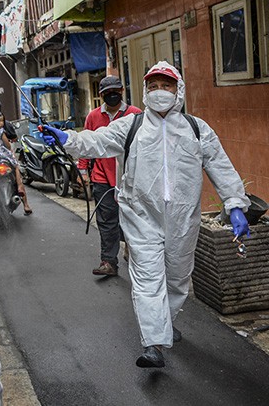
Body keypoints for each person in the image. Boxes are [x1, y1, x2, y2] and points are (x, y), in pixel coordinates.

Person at [42, 61, 250, 368]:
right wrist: (68, 140)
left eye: (165, 86)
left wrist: (234, 204)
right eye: (153, 86)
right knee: (147, 278)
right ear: (144, 91)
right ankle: (154, 344)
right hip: (141, 217)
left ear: (178, 90)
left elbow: (220, 165)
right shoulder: (132, 126)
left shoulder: (197, 129)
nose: (159, 92)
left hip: (182, 219)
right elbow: (97, 141)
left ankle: (164, 322)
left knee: (178, 279)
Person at [78, 76, 141, 276]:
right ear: (101, 95)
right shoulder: (93, 117)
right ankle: (108, 262)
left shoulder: (136, 115)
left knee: (134, 219)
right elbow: (85, 144)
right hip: (102, 177)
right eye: (108, 92)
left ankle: (132, 250)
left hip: (130, 178)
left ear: (122, 91)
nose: (112, 95)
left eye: (116, 91)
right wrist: (83, 171)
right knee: (107, 221)